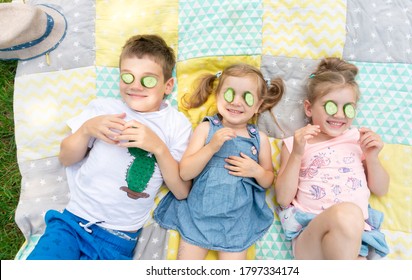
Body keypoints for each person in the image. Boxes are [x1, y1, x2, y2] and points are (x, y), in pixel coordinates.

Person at [27, 34, 192, 260]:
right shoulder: (103, 108)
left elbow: (182, 191)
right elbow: (66, 158)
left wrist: (159, 148)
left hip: (118, 239)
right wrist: (86, 129)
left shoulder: (177, 124)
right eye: (127, 77)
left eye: (148, 80)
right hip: (71, 224)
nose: (135, 86)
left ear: (168, 85)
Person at [154, 63, 285, 259]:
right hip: (199, 214)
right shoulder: (206, 129)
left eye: (247, 97)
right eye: (230, 94)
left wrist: (255, 170)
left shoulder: (259, 138)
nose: (237, 102)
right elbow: (185, 172)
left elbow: (267, 180)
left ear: (257, 106)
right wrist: (211, 147)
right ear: (217, 97)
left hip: (238, 220)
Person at [274, 57, 390, 260]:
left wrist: (372, 157)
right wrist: (297, 154)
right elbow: (283, 198)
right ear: (309, 108)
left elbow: (381, 189)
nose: (339, 114)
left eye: (348, 108)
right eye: (330, 106)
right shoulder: (298, 143)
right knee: (349, 213)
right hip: (311, 237)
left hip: (356, 241)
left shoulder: (356, 139)